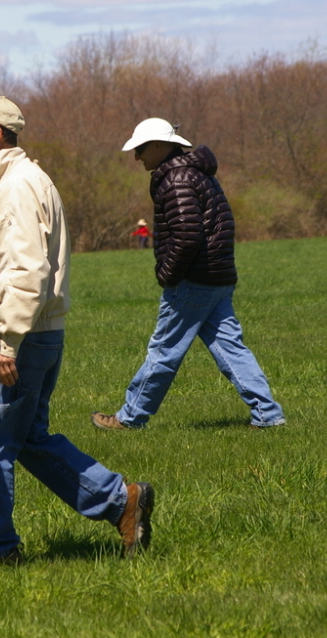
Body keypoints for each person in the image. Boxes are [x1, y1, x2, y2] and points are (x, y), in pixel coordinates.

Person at [0, 94, 154, 568]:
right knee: (25, 439)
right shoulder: (14, 183)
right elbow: (2, 266)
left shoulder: (18, 187)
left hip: (22, 337)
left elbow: (28, 272)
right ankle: (120, 500)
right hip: (39, 332)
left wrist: (7, 342)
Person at [91, 118, 286, 431]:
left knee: (163, 351)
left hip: (193, 281)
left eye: (140, 149)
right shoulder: (196, 172)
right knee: (232, 350)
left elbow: (187, 236)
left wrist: (168, 274)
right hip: (218, 278)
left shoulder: (176, 179)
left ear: (159, 145)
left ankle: (130, 417)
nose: (136, 157)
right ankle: (268, 414)